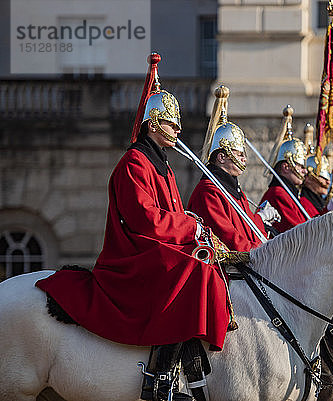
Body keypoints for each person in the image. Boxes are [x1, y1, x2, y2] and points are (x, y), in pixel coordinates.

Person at [35, 54, 227, 401]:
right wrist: (190, 227)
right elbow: (146, 220)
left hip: (156, 245)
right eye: (172, 124)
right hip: (133, 254)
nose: (178, 130)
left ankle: (192, 357)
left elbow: (170, 216)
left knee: (206, 260)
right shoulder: (134, 164)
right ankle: (161, 375)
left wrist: (192, 225)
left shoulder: (162, 166)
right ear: (153, 124)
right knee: (193, 268)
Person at [188, 86, 279, 251]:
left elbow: (247, 228)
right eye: (238, 154)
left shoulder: (233, 189)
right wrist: (259, 252)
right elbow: (226, 236)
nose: (244, 158)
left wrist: (261, 222)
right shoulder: (209, 191)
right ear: (221, 157)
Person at [259, 106, 309, 233]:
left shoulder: (289, 193)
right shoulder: (278, 193)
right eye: (301, 166)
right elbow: (298, 229)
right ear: (286, 167)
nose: (305, 171)